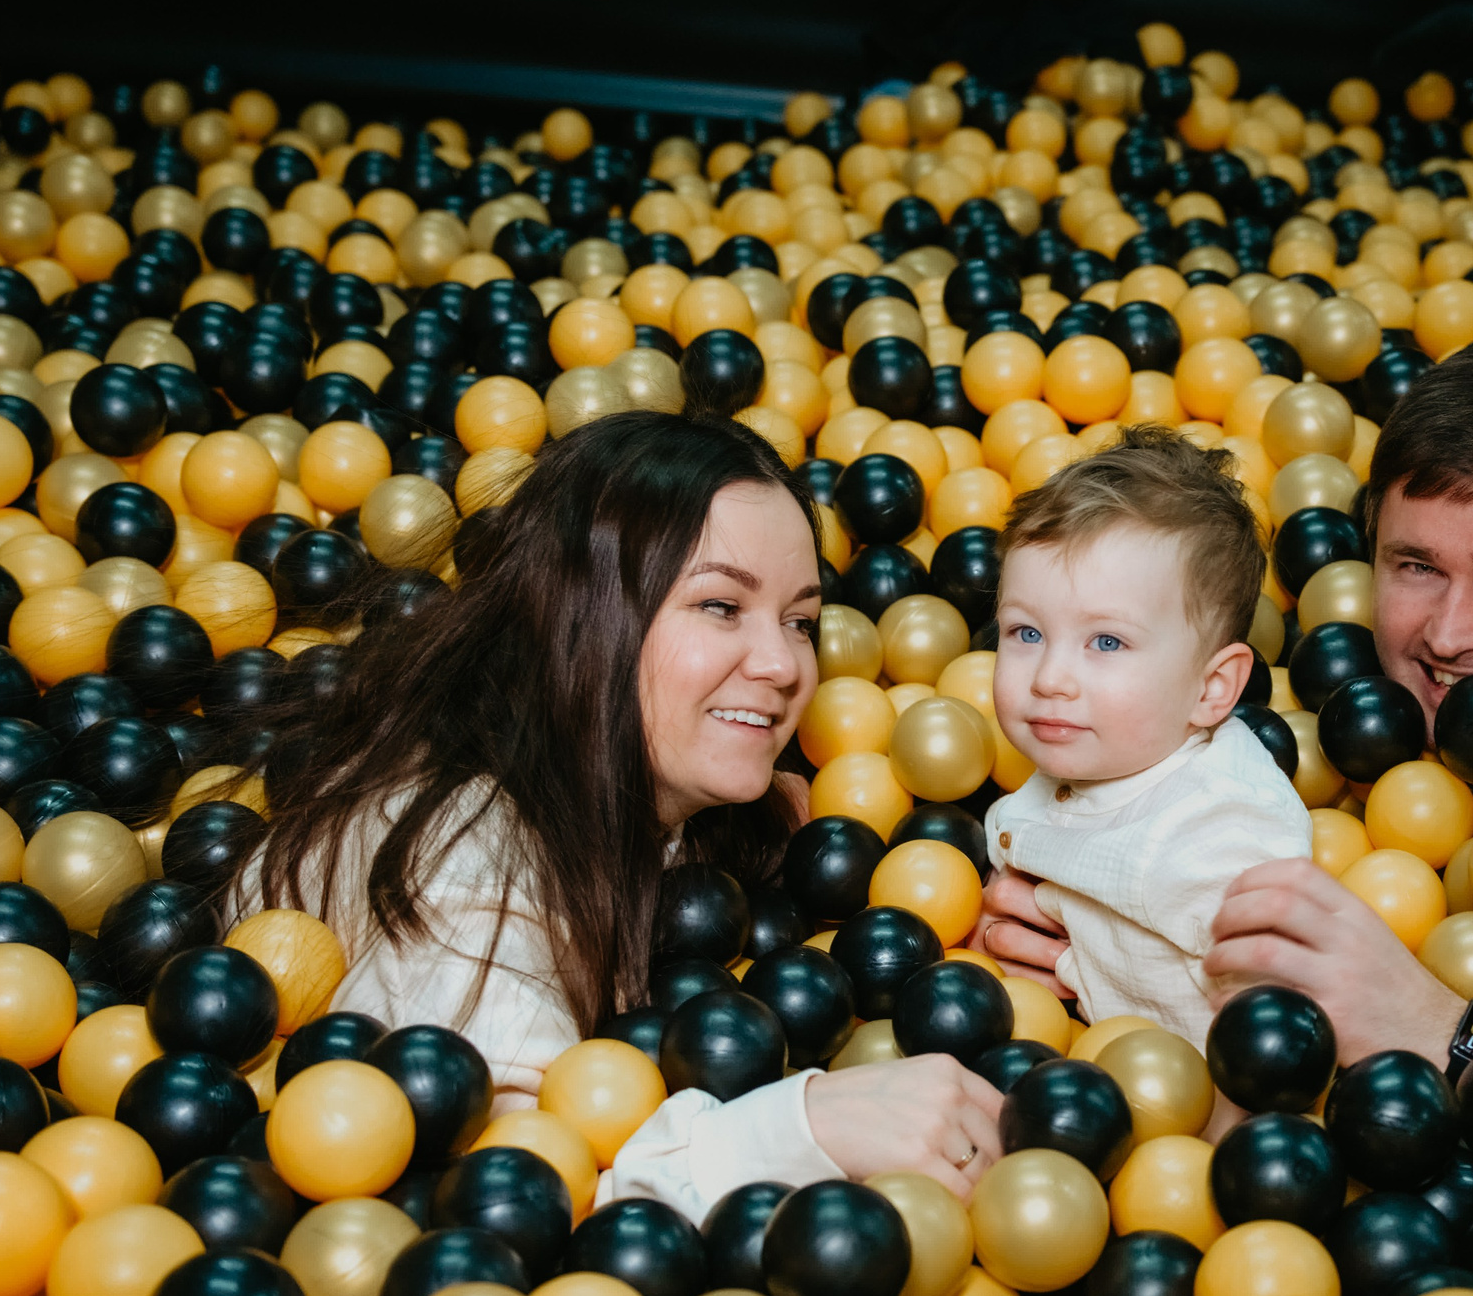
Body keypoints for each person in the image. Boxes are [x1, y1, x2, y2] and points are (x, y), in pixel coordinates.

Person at [231, 411, 1000, 1219]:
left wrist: (961, 928)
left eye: (799, 621)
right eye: (719, 607)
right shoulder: (460, 857)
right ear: (585, 615)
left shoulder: (682, 798)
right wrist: (809, 1121)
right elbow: (516, 1197)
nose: (781, 665)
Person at [980, 341, 1473, 1084]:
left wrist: (1441, 1022)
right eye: (1417, 566)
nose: (1450, 633)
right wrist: (1044, 938)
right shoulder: (1261, 710)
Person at [975, 426, 1314, 1046]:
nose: (1051, 678)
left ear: (1211, 689)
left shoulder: (1219, 835)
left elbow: (1282, 1027)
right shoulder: (1101, 752)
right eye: (1026, 633)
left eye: (1107, 642)